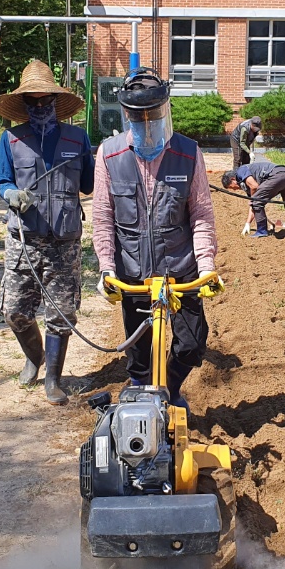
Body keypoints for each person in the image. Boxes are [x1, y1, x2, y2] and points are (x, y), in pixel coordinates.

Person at [91, 67, 218, 413]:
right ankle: (139, 395)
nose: (147, 124)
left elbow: (202, 214)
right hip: (132, 270)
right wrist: (106, 269)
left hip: (180, 268)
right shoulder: (109, 154)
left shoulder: (188, 153)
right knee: (139, 353)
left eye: (154, 115)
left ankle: (170, 388)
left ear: (165, 110)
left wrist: (206, 267)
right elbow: (103, 217)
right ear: (126, 114)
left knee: (192, 343)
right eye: (138, 116)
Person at [0, 59, 94, 405]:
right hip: (23, 240)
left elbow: (90, 184)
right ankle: (34, 357)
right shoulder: (11, 139)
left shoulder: (77, 138)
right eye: (32, 102)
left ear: (55, 101)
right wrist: (11, 195)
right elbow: (2, 181)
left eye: (45, 100)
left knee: (61, 313)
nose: (39, 107)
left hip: (64, 243)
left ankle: (53, 378)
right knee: (15, 310)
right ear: (23, 105)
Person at [221, 160, 285, 238]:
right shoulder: (247, 182)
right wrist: (248, 223)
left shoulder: (241, 171)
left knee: (257, 202)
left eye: (232, 187)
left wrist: (254, 200)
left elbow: (254, 187)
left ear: (233, 179)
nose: (235, 190)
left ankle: (262, 231)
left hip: (278, 176)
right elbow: (253, 205)